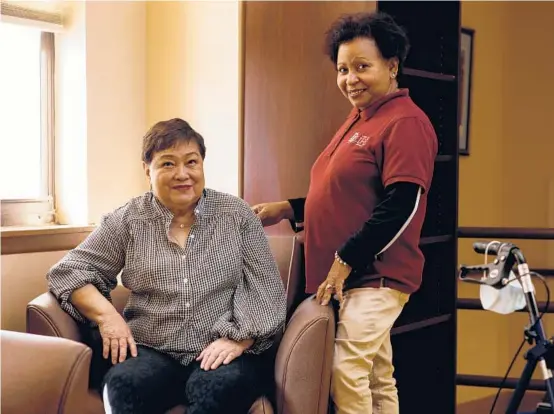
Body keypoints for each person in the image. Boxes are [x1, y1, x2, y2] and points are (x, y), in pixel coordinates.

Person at [251, 11, 437, 414]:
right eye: (342, 69)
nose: (350, 78)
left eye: (362, 67)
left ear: (392, 66)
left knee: (345, 370)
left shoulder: (405, 122)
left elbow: (401, 203)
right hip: (354, 274)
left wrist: (344, 261)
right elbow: (346, 195)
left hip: (377, 275)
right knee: (375, 375)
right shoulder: (360, 118)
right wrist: (289, 208)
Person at [47, 118, 287, 414]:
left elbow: (266, 287)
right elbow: (69, 271)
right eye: (168, 164)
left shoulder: (236, 215)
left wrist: (240, 340)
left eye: (192, 162)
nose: (182, 174)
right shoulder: (127, 220)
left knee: (221, 389)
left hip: (220, 348)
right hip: (150, 348)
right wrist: (109, 316)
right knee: (123, 386)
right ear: (147, 169)